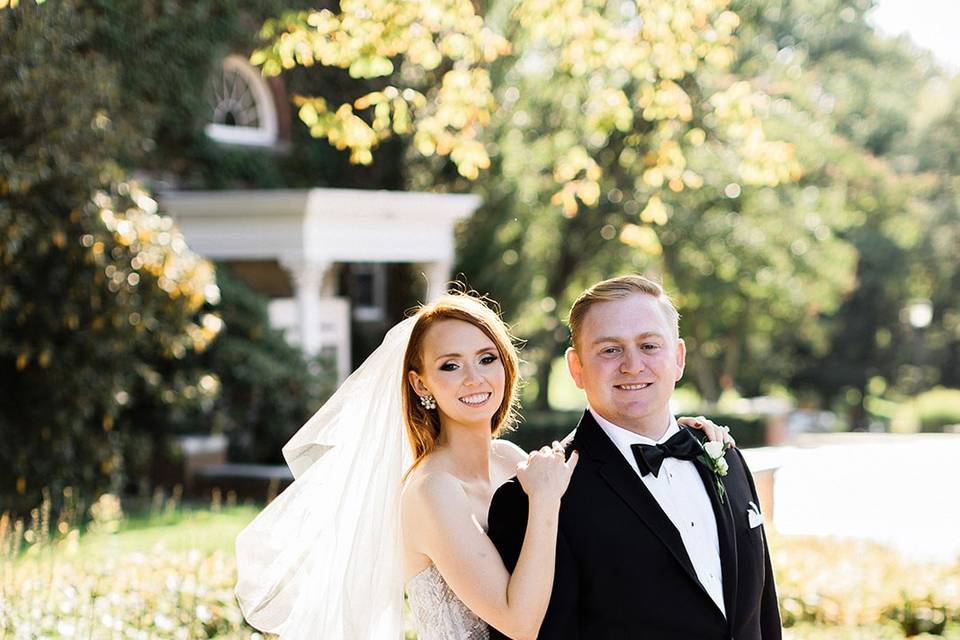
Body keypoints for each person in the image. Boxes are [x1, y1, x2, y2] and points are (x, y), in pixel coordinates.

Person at [235, 291, 734, 639]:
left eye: (486, 358)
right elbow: (519, 623)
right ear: (421, 384)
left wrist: (679, 437)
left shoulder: (509, 459)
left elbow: (600, 474)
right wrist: (541, 502)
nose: (474, 378)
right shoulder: (432, 491)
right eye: (449, 365)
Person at [487, 275, 782, 640]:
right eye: (610, 350)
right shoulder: (533, 498)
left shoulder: (726, 457)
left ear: (678, 358)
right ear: (577, 368)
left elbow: (763, 615)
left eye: (649, 345)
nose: (632, 365)